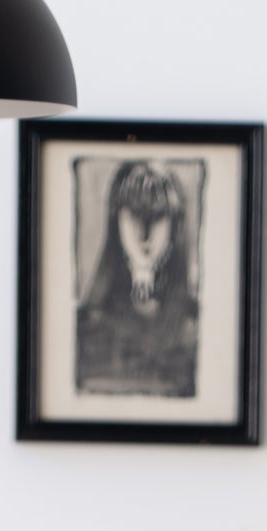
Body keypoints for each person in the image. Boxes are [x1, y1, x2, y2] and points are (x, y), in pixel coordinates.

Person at [75, 159, 202, 400]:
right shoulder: (88, 326)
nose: (143, 232)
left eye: (157, 216)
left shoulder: (193, 328)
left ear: (175, 227)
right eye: (133, 214)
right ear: (116, 224)